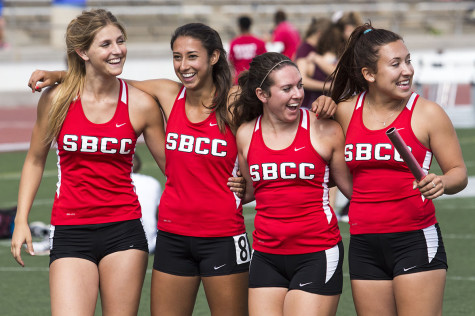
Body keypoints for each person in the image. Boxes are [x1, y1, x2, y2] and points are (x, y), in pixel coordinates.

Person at [28, 22, 338, 316]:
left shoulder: (234, 103)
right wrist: (61, 74)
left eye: (192, 56)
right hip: (172, 237)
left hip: (222, 236)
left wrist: (324, 104)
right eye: (177, 57)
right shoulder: (167, 93)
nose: (183, 65)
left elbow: (281, 108)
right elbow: (108, 81)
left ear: (214, 57)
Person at [11, 9, 166, 316]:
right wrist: (20, 220)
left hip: (124, 230)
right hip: (70, 229)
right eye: (106, 44)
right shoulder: (56, 99)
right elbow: (34, 160)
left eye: (120, 41)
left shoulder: (141, 103)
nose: (118, 50)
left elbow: (172, 170)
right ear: (82, 51)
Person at [328, 23, 467, 315]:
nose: (407, 70)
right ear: (369, 74)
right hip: (364, 243)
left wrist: (441, 182)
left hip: (414, 239)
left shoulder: (428, 113)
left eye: (408, 61)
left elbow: (458, 173)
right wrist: (323, 106)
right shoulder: (344, 111)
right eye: (395, 64)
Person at [231, 52, 352, 315]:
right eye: (286, 88)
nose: (297, 94)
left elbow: (353, 190)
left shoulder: (324, 129)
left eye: (299, 85)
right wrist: (237, 187)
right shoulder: (246, 134)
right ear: (263, 94)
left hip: (316, 253)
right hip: (266, 255)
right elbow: (251, 190)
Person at [132, 154, 161, 254]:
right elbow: (159, 214)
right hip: (152, 242)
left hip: (122, 243)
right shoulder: (152, 182)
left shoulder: (114, 182)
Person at [229, 15, 267, 84]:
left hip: (239, 80)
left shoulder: (234, 43)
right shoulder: (259, 42)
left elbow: (231, 61)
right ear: (250, 25)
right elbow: (265, 61)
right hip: (255, 79)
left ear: (239, 26)